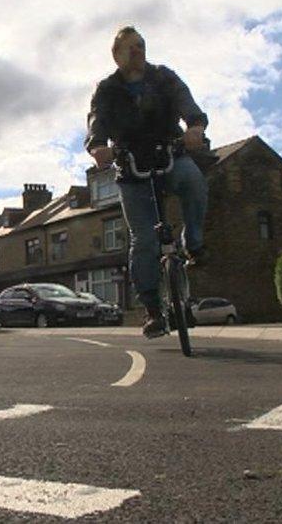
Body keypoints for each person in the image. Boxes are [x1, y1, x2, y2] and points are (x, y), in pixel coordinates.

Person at [85, 26, 210, 338]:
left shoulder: (163, 77)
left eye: (141, 46)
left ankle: (193, 242)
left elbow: (186, 102)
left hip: (169, 154)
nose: (138, 51)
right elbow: (96, 122)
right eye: (130, 48)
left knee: (193, 179)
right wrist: (98, 147)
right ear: (116, 56)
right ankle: (154, 311)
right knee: (144, 240)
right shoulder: (107, 89)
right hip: (131, 169)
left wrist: (194, 126)